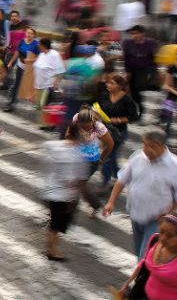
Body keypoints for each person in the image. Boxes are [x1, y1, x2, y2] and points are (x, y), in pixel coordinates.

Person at [103, 130, 177, 260]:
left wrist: (167, 214)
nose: (147, 150)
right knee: (139, 251)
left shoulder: (176, 166)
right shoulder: (138, 157)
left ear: (162, 146)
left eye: (152, 146)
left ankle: (143, 279)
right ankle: (145, 275)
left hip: (157, 220)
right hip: (135, 215)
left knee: (145, 255)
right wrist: (111, 202)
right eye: (145, 145)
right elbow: (121, 180)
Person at [40, 124, 89, 261]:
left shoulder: (56, 146)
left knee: (55, 225)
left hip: (52, 192)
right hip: (62, 195)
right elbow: (78, 178)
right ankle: (52, 251)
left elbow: (46, 154)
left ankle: (51, 249)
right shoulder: (77, 154)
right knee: (56, 226)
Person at [125, 213, 177, 300]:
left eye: (170, 235)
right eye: (161, 232)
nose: (163, 238)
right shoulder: (155, 240)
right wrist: (128, 283)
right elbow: (143, 263)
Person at [95, 73, 139, 192]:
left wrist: (118, 120)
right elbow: (98, 108)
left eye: (112, 83)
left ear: (120, 86)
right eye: (108, 83)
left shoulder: (127, 100)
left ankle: (105, 182)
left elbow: (134, 117)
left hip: (118, 133)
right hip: (104, 131)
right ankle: (120, 175)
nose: (108, 85)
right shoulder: (104, 96)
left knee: (108, 156)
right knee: (112, 156)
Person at [71, 106, 114, 217]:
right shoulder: (76, 118)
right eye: (82, 126)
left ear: (93, 121)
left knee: (79, 184)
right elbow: (69, 134)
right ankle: (94, 205)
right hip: (76, 158)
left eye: (87, 126)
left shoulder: (100, 127)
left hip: (92, 160)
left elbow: (110, 144)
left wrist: (102, 158)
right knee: (78, 184)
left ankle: (92, 205)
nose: (85, 129)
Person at [122, 25, 159, 119]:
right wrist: (128, 71)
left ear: (142, 33)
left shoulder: (150, 43)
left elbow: (153, 59)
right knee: (132, 91)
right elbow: (126, 58)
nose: (134, 36)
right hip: (132, 69)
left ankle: (140, 110)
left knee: (138, 89)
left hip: (144, 70)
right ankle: (135, 110)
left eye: (136, 33)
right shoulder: (128, 43)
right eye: (132, 34)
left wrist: (154, 72)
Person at [3, 26, 40, 112]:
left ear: (34, 35)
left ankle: (38, 102)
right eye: (27, 33)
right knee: (16, 85)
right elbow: (17, 52)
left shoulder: (36, 44)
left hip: (30, 69)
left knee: (30, 86)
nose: (29, 35)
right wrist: (11, 62)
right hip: (20, 66)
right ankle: (11, 103)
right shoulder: (22, 41)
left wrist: (30, 60)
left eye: (31, 33)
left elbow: (40, 57)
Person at [33, 38, 66, 130]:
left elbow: (61, 70)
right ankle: (44, 123)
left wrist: (56, 82)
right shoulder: (41, 54)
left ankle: (51, 124)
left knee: (45, 104)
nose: (38, 46)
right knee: (40, 105)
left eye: (40, 44)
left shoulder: (54, 55)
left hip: (49, 84)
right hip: (39, 83)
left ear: (44, 45)